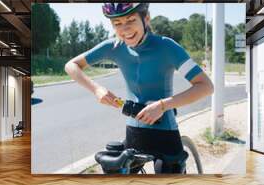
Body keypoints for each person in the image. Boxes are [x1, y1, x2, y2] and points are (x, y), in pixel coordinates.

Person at [65, 3, 214, 174]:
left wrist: (162, 106)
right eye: (117, 23)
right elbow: (71, 66)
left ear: (146, 19)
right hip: (134, 131)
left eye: (131, 20)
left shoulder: (167, 47)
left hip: (165, 130)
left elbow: (206, 86)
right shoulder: (114, 46)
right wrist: (97, 89)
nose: (125, 29)